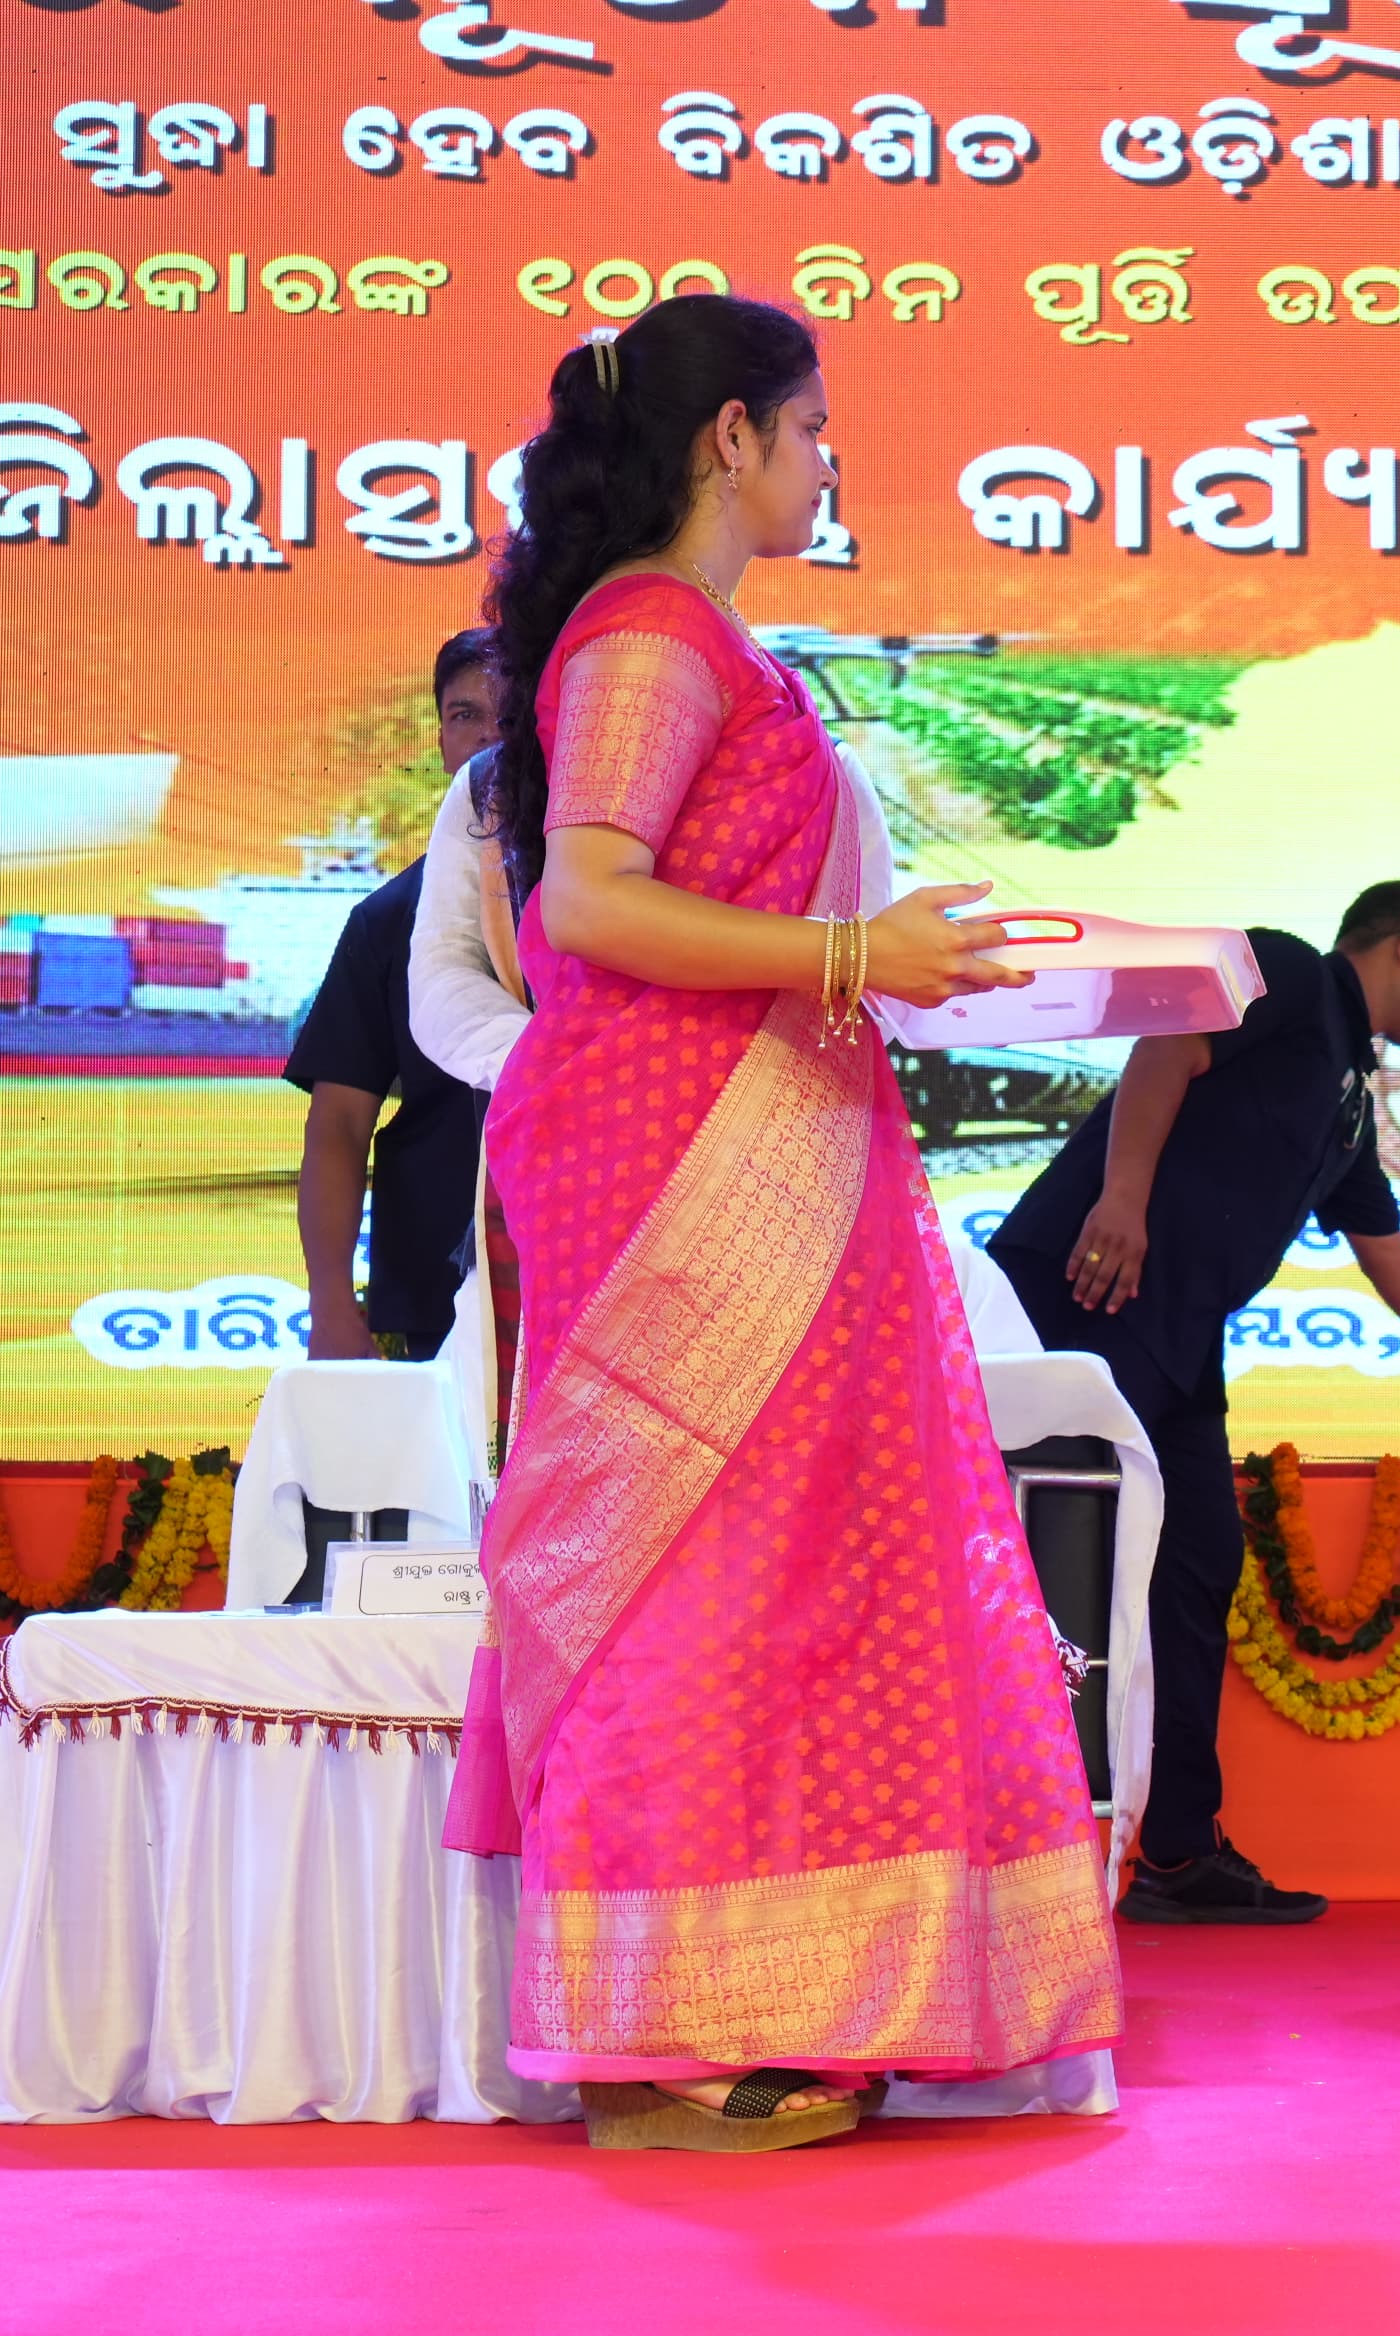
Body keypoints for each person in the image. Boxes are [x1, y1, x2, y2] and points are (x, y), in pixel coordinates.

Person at [439, 295, 1120, 2153]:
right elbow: (590, 903)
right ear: (729, 437)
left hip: (758, 1146)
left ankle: (780, 2001)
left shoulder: (696, 639)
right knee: (689, 1579)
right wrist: (846, 954)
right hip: (676, 1166)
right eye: (812, 427)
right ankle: (654, 2054)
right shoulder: (651, 633)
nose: (828, 462)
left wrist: (893, 969)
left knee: (789, 1580)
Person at [987, 881, 1400, 1927]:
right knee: (1056, 1565)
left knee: (1202, 1561)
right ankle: (1011, 1848)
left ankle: (1176, 1849)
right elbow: (1167, 1047)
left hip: (1179, 1338)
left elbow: (1388, 1252)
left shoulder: (1351, 1096)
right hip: (1086, 1290)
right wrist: (1122, 1199)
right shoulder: (1286, 968)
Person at [288, 630, 498, 1361]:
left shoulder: (604, 908)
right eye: (465, 715)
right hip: (434, 1287)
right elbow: (339, 1124)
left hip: (592, 1274)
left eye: (512, 717)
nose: (488, 739)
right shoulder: (384, 922)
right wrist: (329, 1305)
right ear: (441, 740)